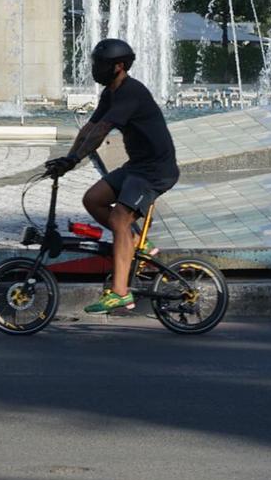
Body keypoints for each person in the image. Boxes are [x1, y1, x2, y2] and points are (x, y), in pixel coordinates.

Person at [45, 39, 180, 313]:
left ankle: (120, 293)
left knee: (119, 217)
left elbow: (101, 132)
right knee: (93, 199)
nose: (96, 69)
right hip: (138, 165)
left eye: (100, 64)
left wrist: (74, 159)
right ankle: (134, 240)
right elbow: (88, 129)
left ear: (118, 66)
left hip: (156, 170)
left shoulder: (131, 92)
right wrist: (68, 160)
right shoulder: (111, 93)